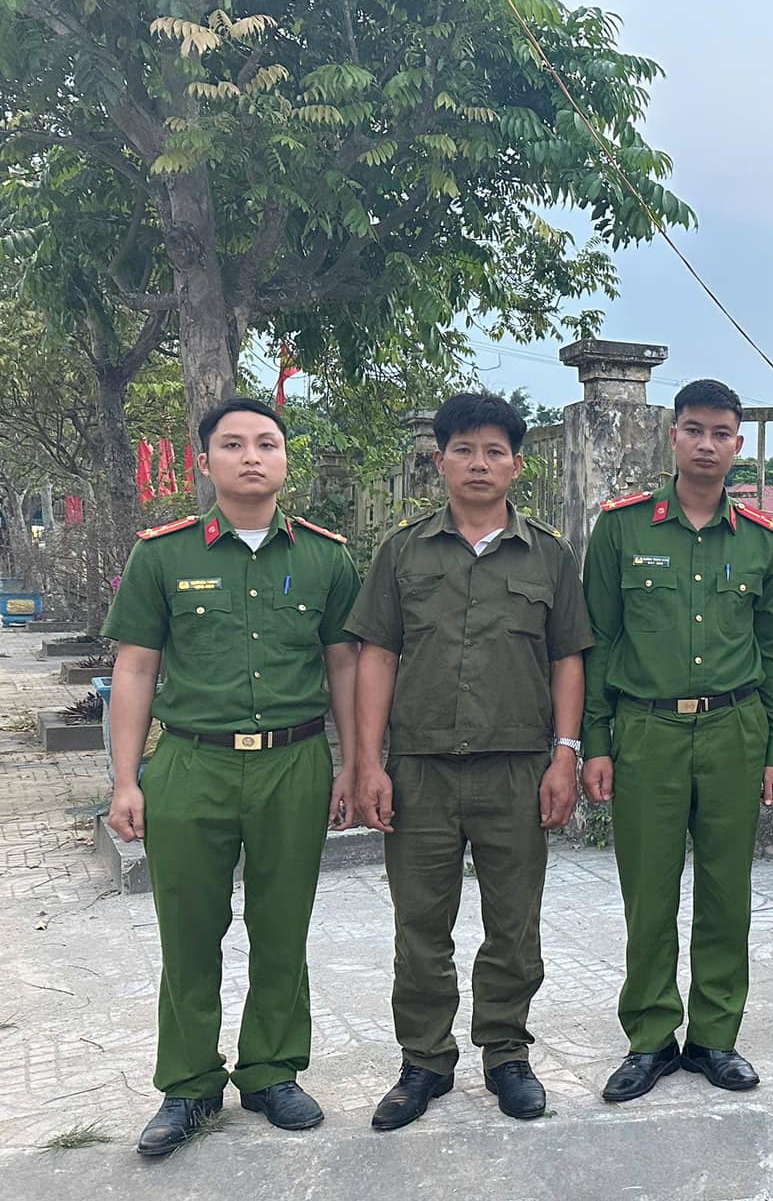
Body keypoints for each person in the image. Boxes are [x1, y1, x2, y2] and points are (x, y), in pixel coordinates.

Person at [102, 397, 361, 1157]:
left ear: (285, 460)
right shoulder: (163, 556)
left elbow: (344, 665)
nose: (252, 456)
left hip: (294, 762)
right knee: (188, 929)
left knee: (282, 925)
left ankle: (271, 1071)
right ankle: (189, 1086)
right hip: (192, 763)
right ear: (205, 460)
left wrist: (354, 763)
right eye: (233, 444)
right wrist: (126, 780)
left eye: (267, 443)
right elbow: (136, 667)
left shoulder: (327, 558)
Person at [347, 393, 593, 1130]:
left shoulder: (548, 555)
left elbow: (568, 660)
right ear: (440, 461)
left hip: (517, 769)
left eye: (494, 452)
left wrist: (565, 756)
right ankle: (424, 1061)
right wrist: (368, 762)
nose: (479, 464)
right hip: (419, 769)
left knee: (514, 924)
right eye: (464, 450)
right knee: (420, 926)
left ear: (516, 465)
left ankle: (506, 1053)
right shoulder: (402, 552)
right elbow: (377, 656)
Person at [581, 378, 773, 1099]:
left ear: (738, 444)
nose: (707, 444)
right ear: (673, 436)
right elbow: (599, 641)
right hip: (647, 730)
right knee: (649, 892)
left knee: (728, 892)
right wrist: (595, 742)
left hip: (735, 728)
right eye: (694, 429)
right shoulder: (622, 529)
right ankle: (650, 1038)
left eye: (721, 433)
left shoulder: (762, 540)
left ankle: (714, 1038)